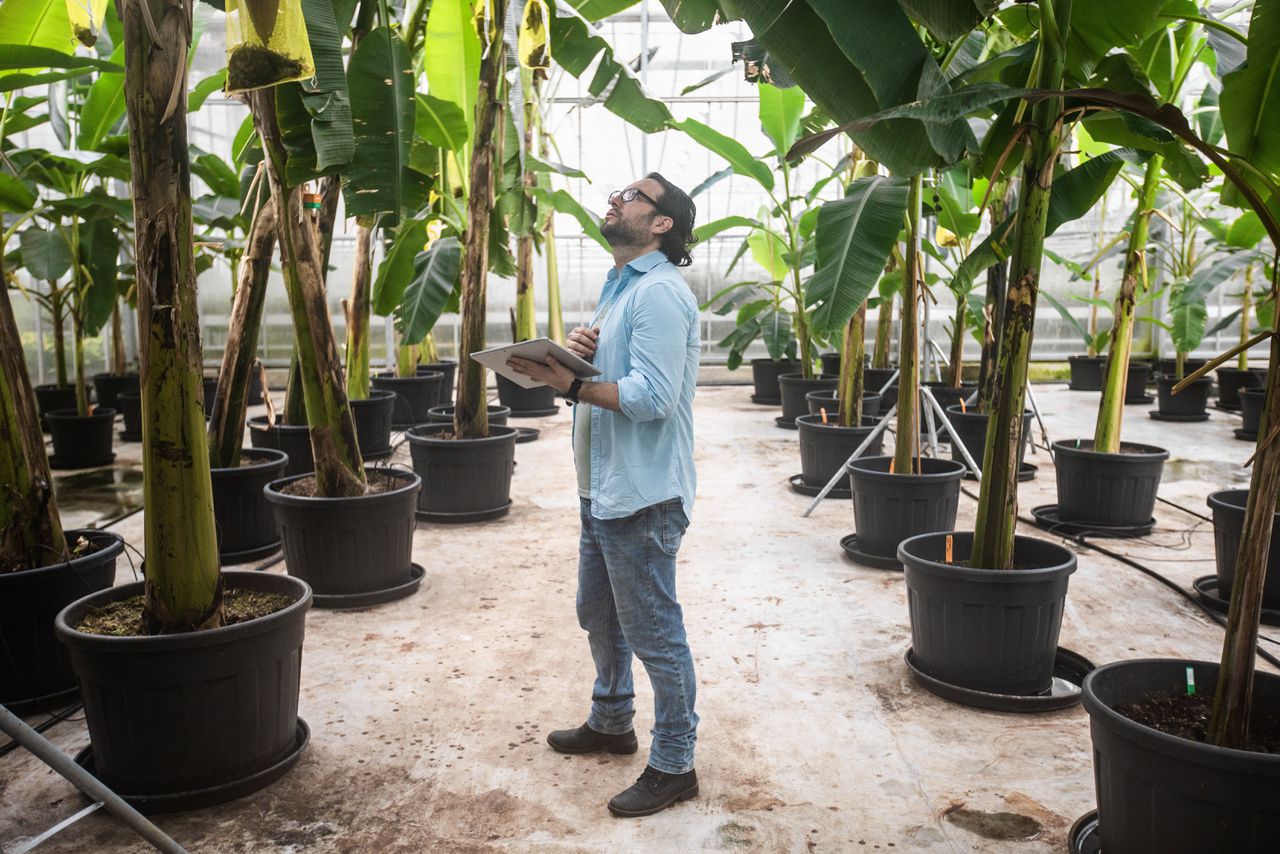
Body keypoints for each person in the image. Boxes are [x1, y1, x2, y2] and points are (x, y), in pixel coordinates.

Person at [505, 173, 701, 817]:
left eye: (632, 196)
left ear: (662, 223)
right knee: (600, 613)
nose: (615, 200)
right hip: (604, 488)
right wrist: (583, 356)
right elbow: (620, 378)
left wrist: (566, 384)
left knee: (655, 633)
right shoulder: (621, 290)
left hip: (642, 495)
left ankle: (675, 764)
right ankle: (612, 721)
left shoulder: (662, 294)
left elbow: (651, 398)